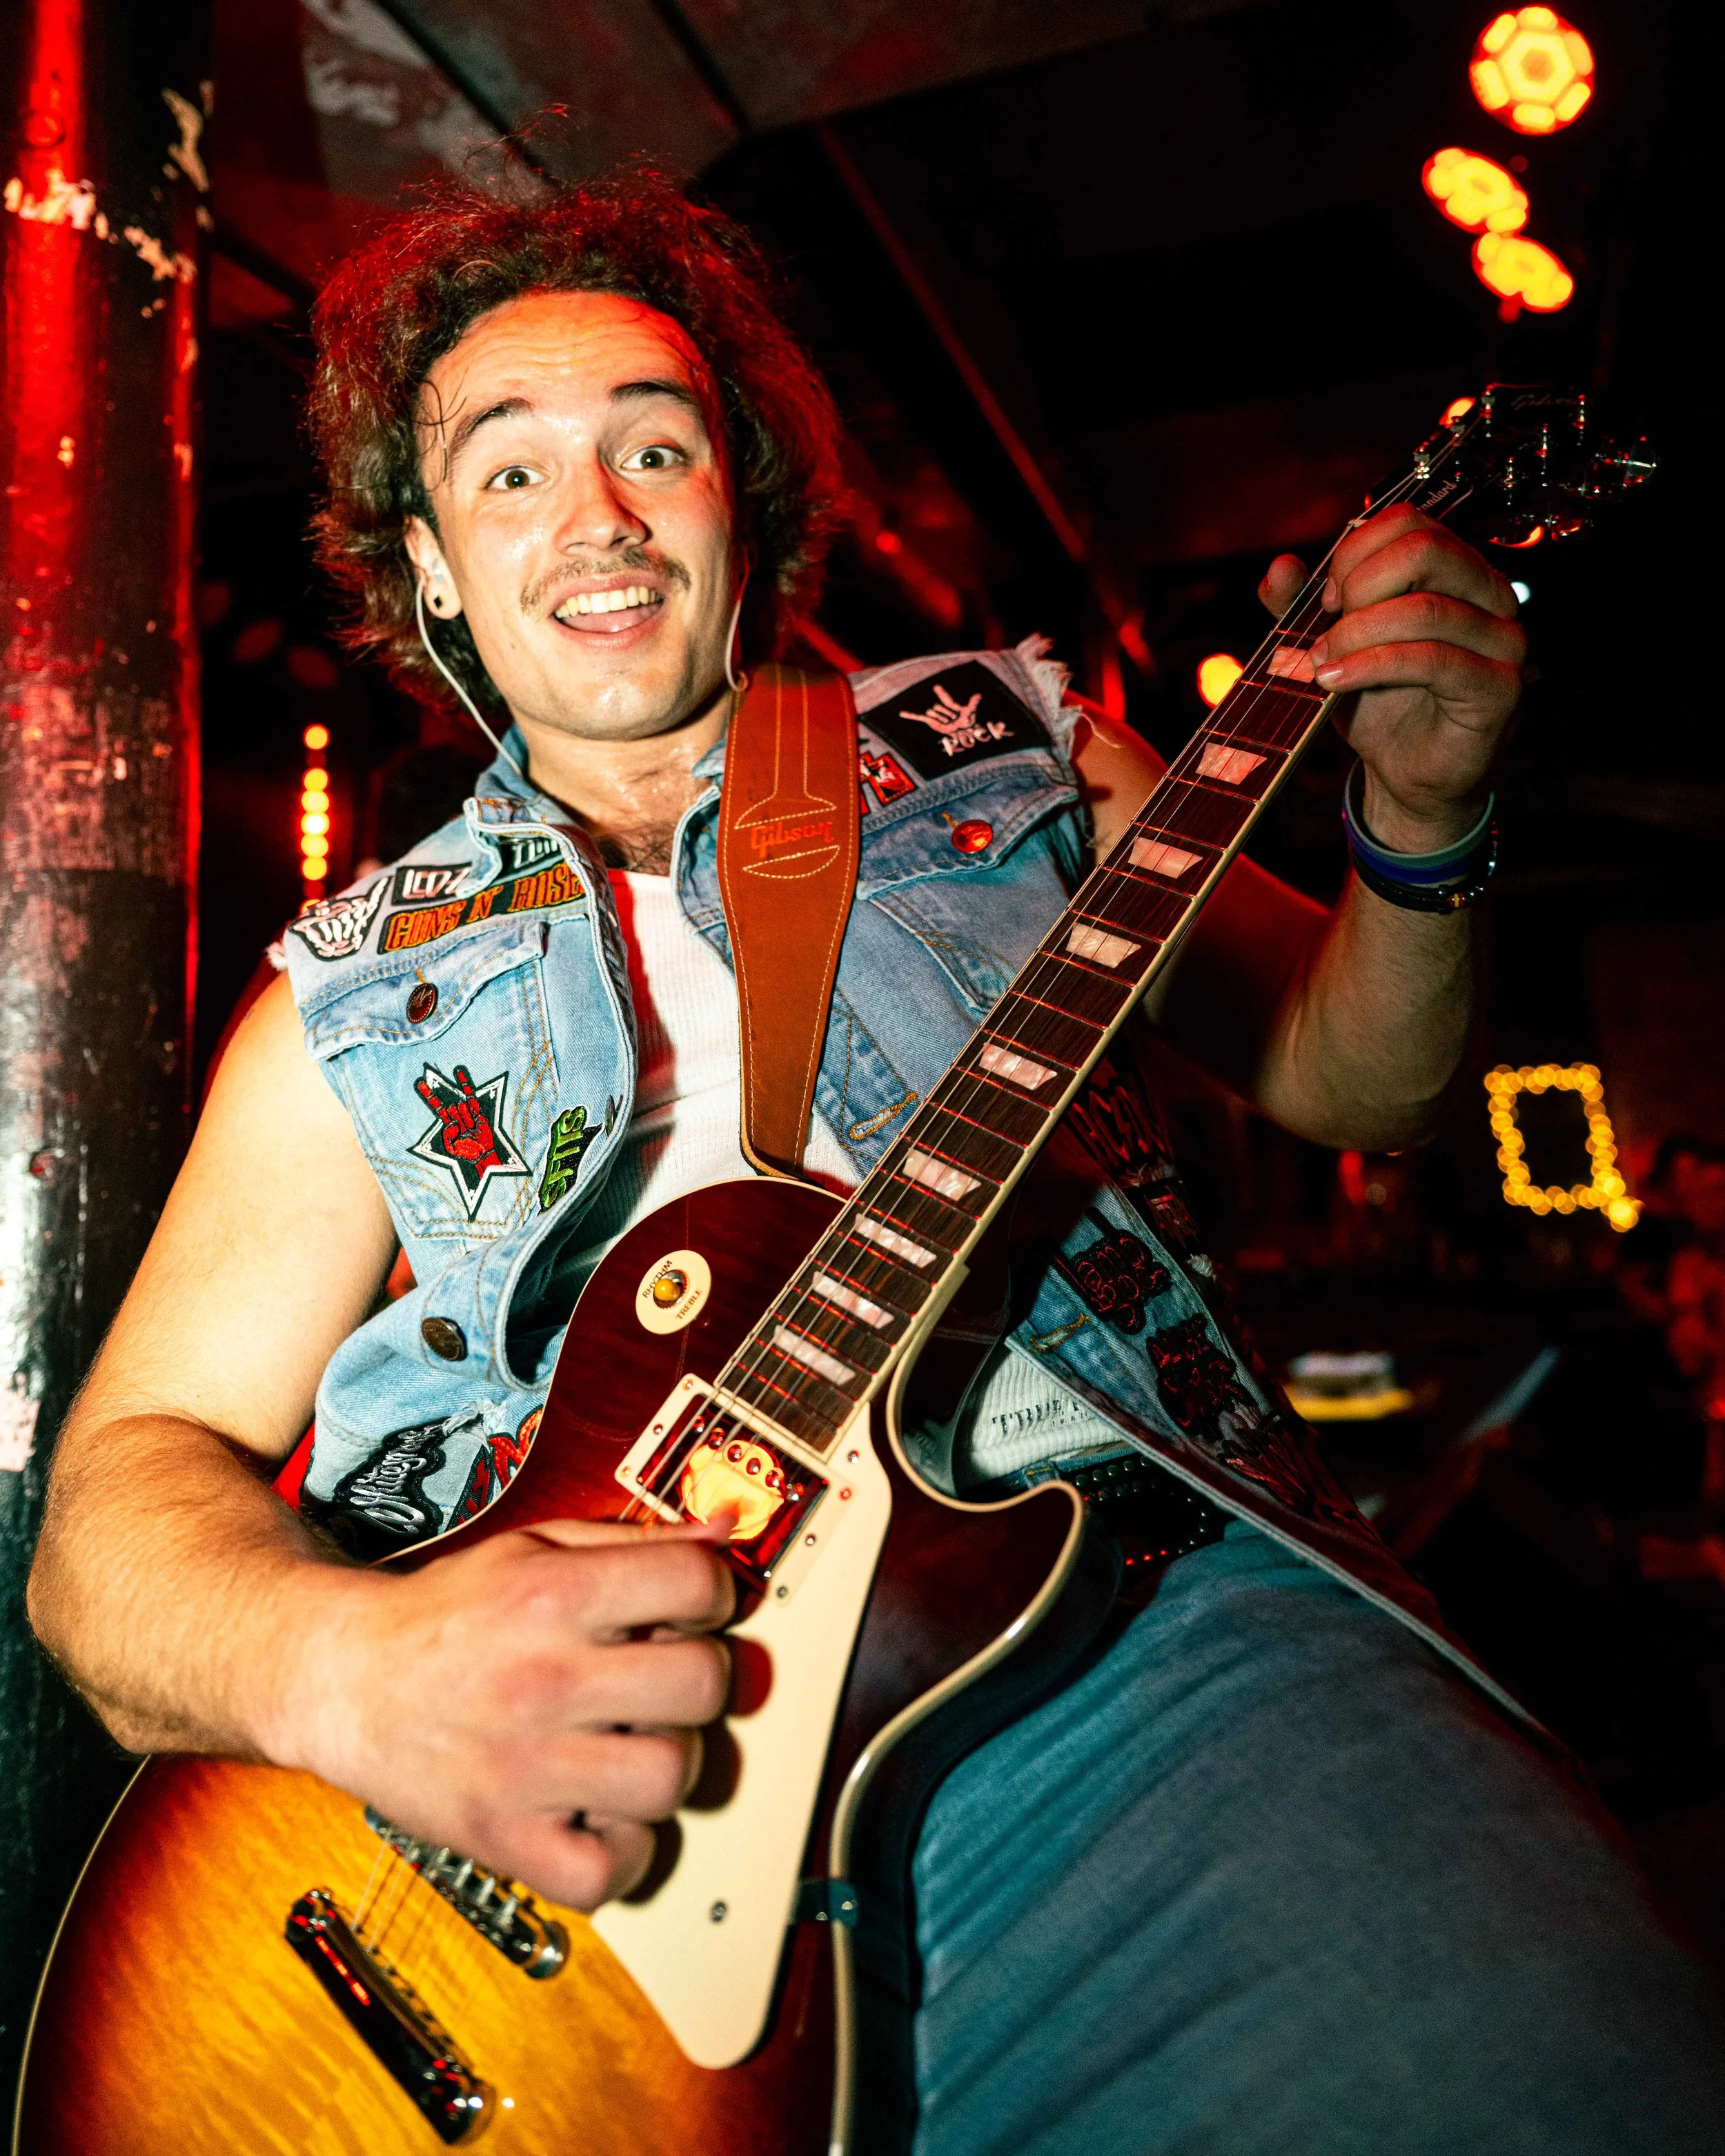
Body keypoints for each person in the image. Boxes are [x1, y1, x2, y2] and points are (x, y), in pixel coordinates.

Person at [28, 170, 1724, 2150]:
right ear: (428, 567)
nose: (592, 514)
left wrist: (1419, 824)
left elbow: (1357, 1080)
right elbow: (112, 1518)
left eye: (653, 445)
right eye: (509, 473)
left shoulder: (1001, 745)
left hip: (1130, 1666)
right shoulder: (338, 992)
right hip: (549, 1789)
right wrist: (357, 1665)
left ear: (734, 505)